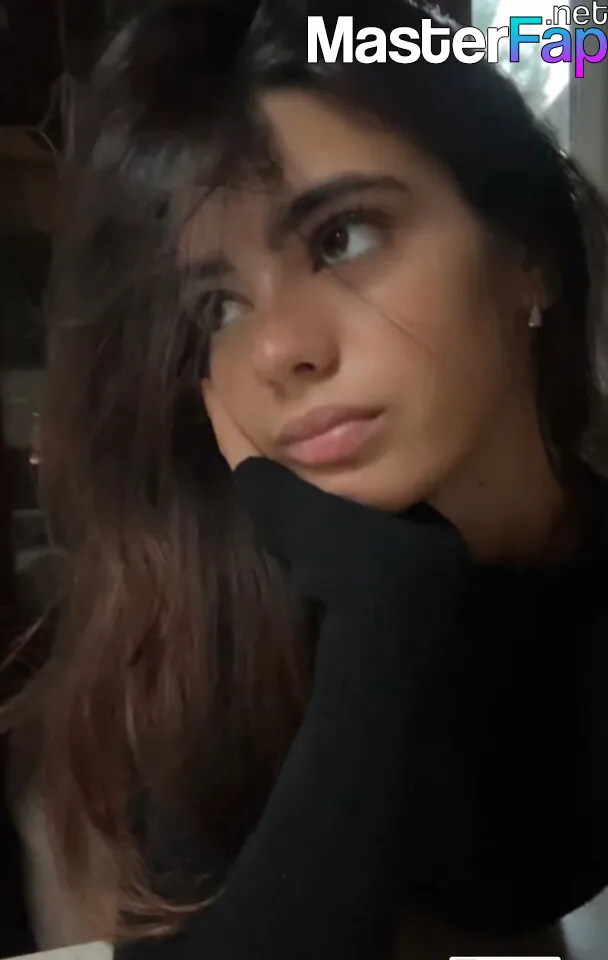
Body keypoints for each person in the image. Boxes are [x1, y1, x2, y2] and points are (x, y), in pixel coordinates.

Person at [3, 0, 608, 957]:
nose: (277, 348)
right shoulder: (202, 633)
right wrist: (382, 617)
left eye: (344, 238)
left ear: (526, 254)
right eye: (218, 305)